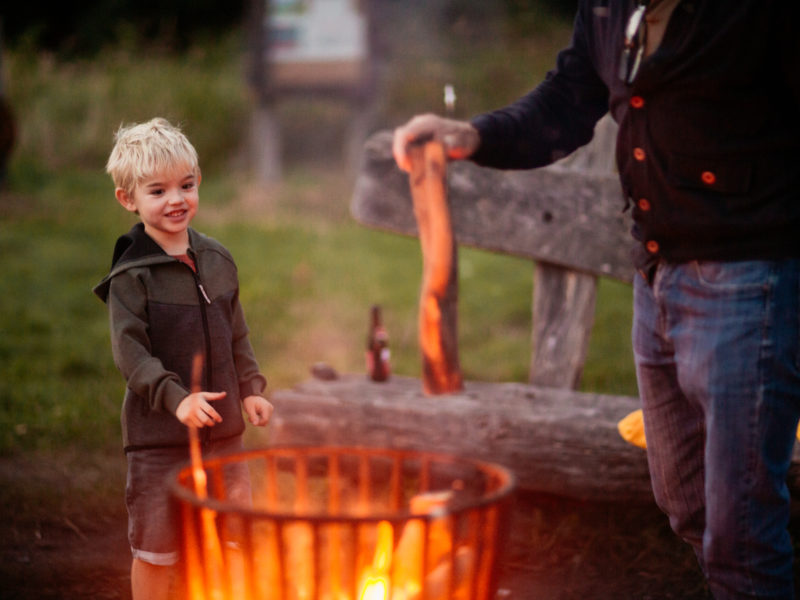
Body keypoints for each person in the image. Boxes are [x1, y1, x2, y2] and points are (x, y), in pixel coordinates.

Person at [393, 2, 800, 598]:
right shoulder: (610, 8)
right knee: (688, 507)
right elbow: (568, 100)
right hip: (655, 278)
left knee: (742, 537)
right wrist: (473, 134)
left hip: (749, 284)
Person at [93, 117, 274, 600]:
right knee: (158, 549)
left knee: (231, 540)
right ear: (128, 199)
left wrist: (252, 389)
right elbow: (130, 354)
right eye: (158, 191)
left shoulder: (218, 260)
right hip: (161, 443)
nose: (176, 200)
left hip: (225, 439)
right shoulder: (133, 276)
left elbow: (236, 332)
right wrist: (176, 400)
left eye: (186, 185)